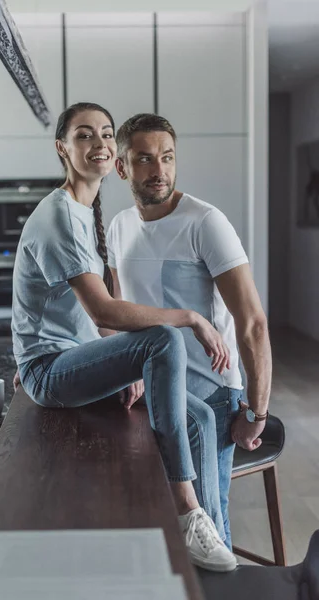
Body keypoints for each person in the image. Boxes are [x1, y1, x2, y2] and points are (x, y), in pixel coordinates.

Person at [11, 101, 238, 573]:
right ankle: (187, 512)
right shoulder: (58, 216)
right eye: (84, 135)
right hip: (51, 372)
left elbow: (84, 317)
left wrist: (120, 360)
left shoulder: (85, 209)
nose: (99, 143)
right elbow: (103, 308)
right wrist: (192, 318)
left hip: (76, 360)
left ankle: (213, 541)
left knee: (201, 420)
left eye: (106, 133)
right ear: (62, 148)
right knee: (164, 339)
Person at [106, 113, 272, 552]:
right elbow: (116, 314)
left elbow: (253, 323)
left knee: (208, 532)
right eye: (144, 159)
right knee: (157, 522)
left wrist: (256, 413)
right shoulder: (119, 226)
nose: (158, 170)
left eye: (167, 157)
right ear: (122, 167)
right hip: (149, 395)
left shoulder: (205, 222)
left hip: (211, 399)